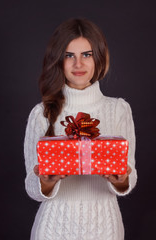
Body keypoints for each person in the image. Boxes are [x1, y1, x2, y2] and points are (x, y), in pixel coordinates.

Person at [24, 18, 137, 240]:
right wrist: (46, 181)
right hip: (52, 229)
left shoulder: (119, 109)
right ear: (58, 60)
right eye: (69, 56)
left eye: (86, 54)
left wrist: (121, 179)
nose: (78, 64)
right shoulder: (41, 113)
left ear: (99, 57)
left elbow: (129, 176)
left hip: (106, 229)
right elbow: (31, 185)